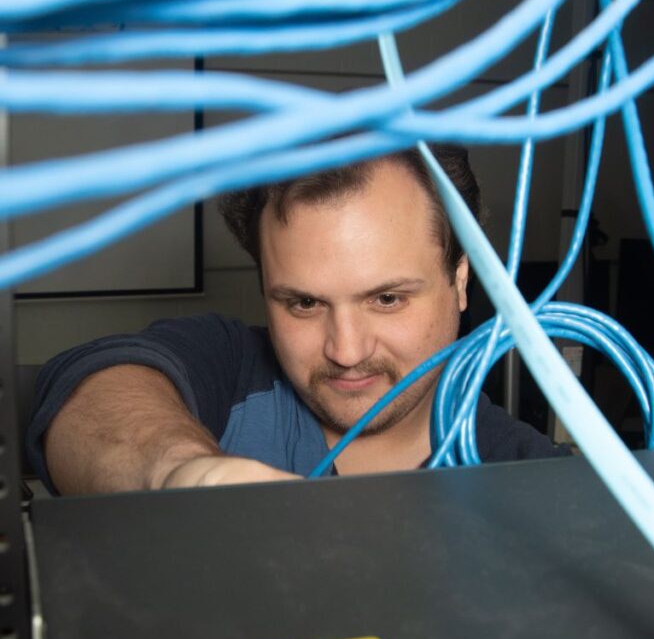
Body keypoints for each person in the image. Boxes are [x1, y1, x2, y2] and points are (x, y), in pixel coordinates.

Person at [27, 144, 568, 495]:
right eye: (304, 304)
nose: (347, 351)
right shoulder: (230, 369)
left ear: (460, 279)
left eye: (387, 299)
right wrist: (180, 473)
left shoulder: (528, 478)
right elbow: (92, 392)